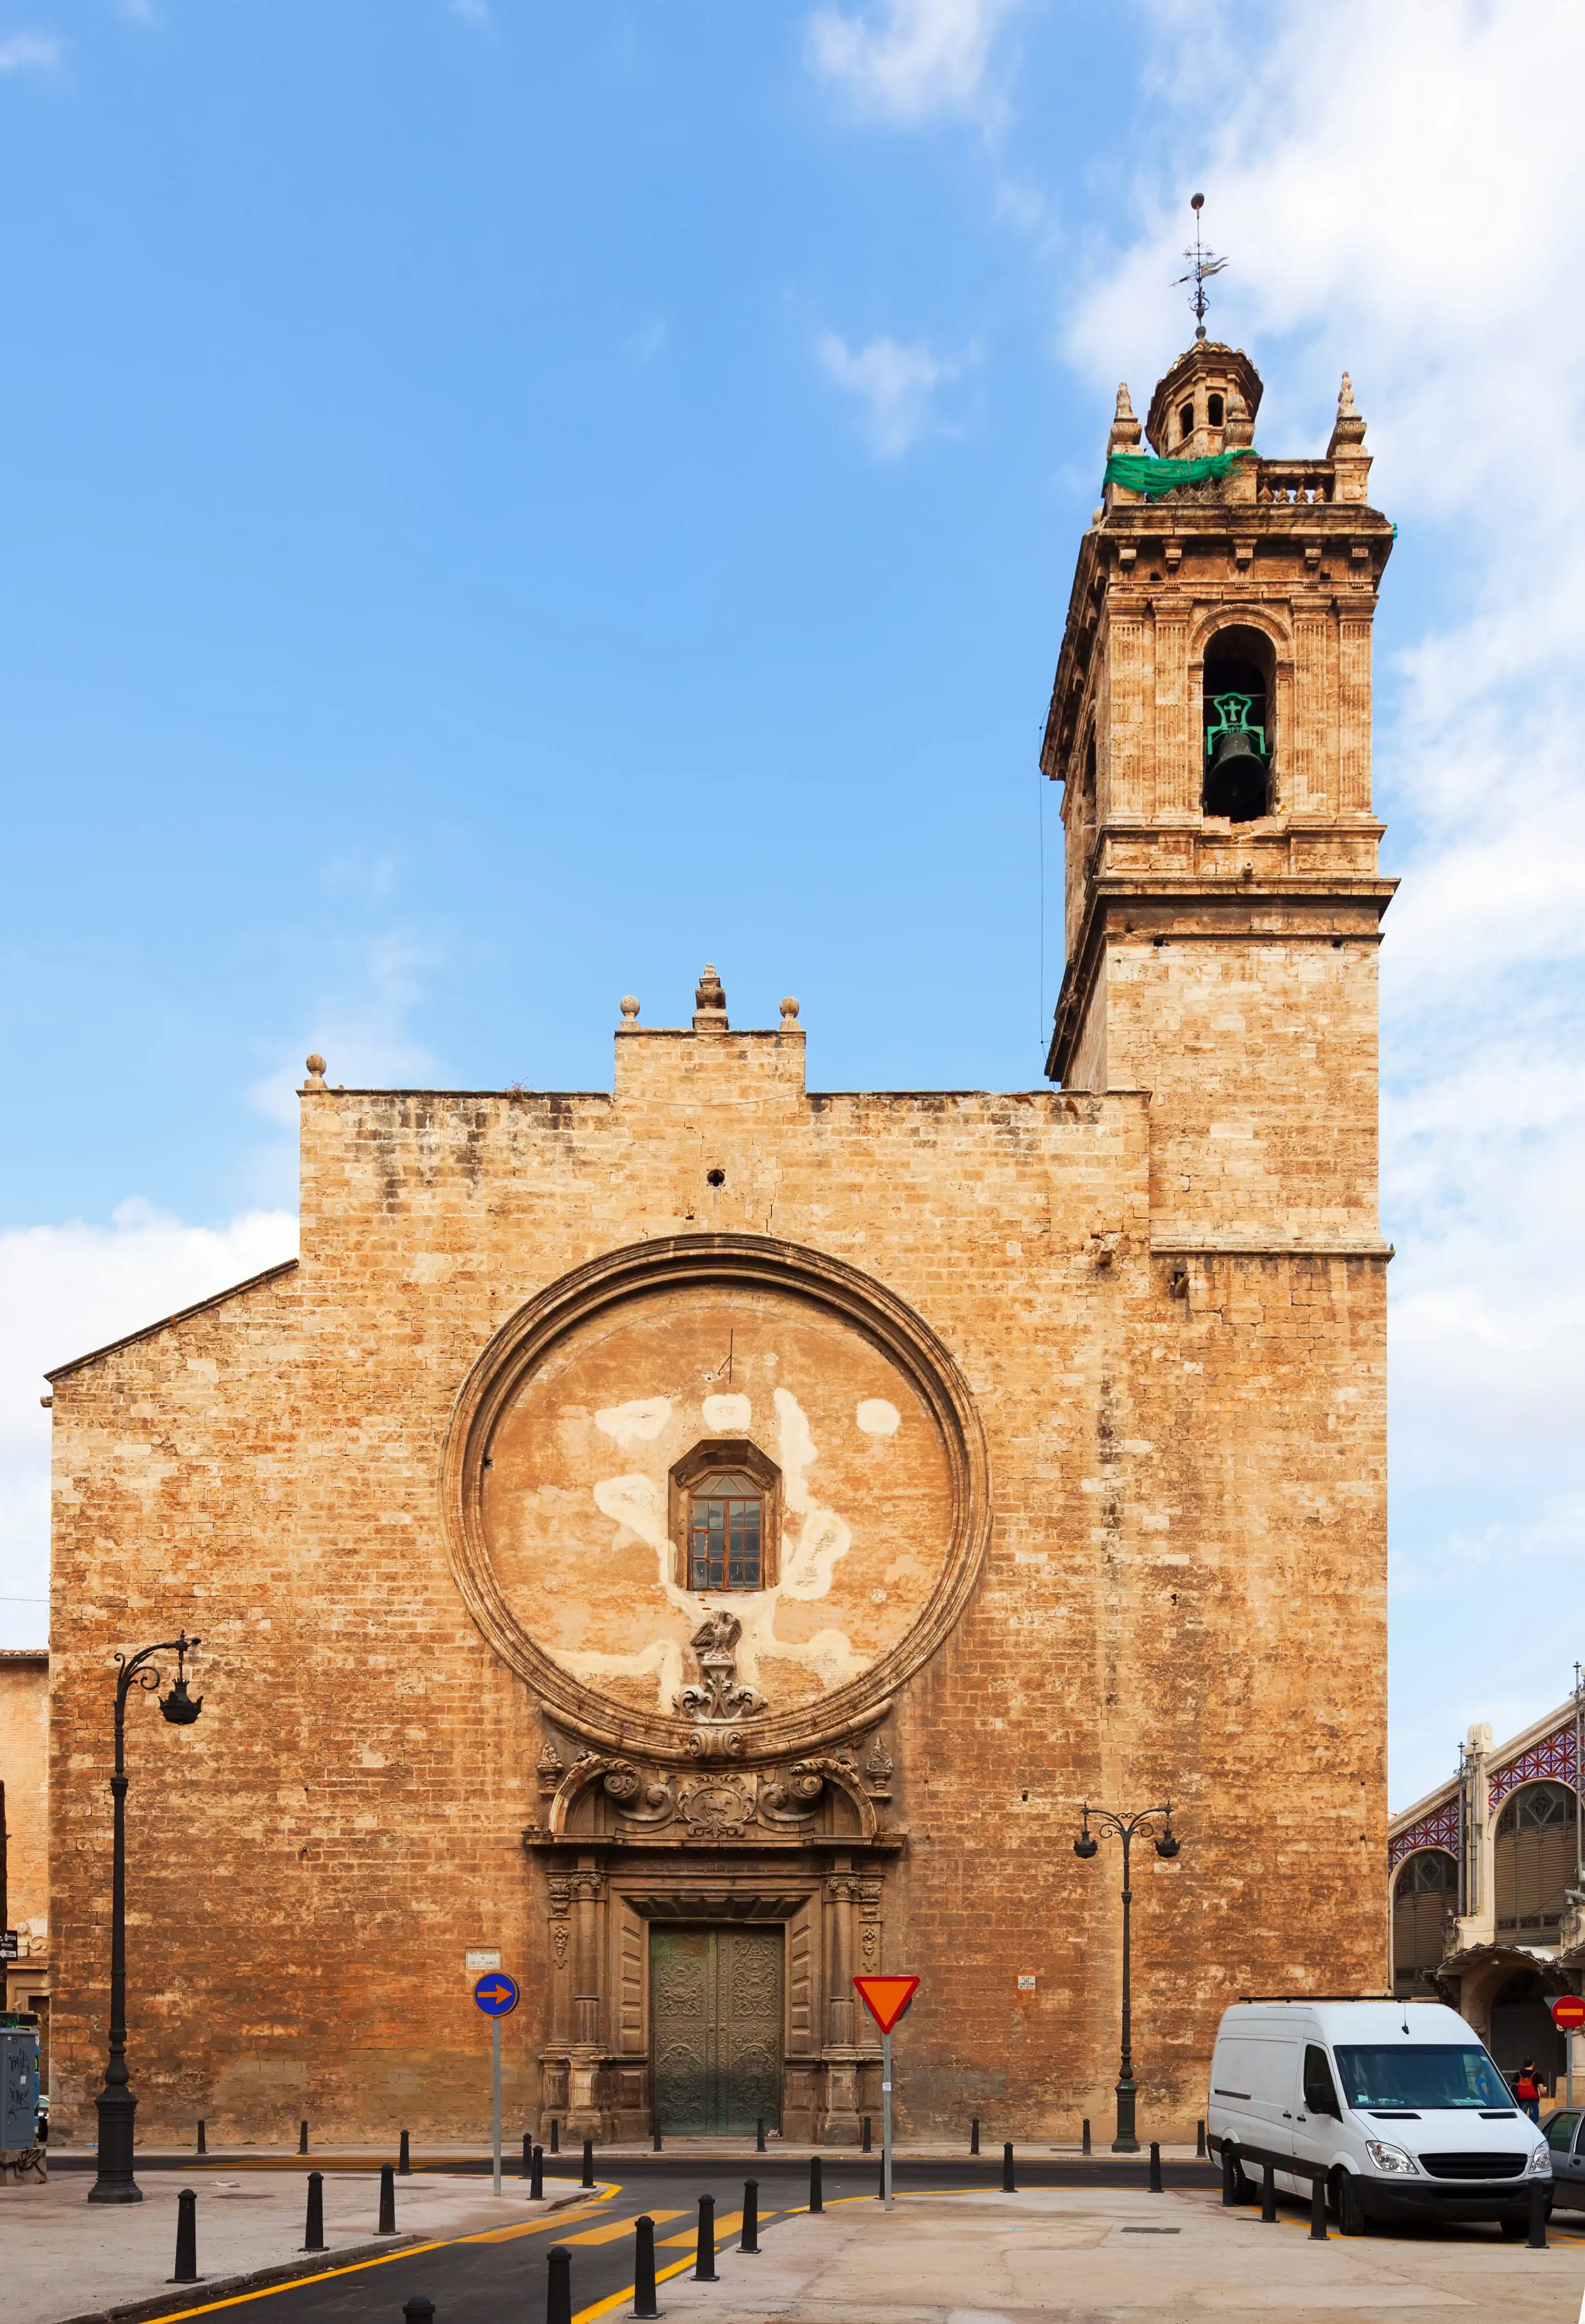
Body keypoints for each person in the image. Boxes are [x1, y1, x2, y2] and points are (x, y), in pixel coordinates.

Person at [1515, 2057, 1542, 2122]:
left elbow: (1513, 2086)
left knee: (1520, 2119)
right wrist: (1545, 2092)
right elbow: (1542, 2090)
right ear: (1533, 2063)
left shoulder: (1518, 2074)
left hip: (1521, 2098)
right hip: (1533, 2099)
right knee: (1534, 2120)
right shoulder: (1537, 2075)